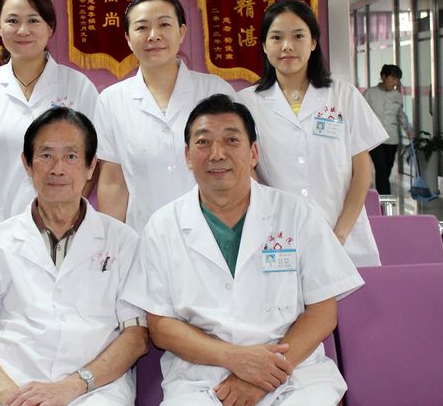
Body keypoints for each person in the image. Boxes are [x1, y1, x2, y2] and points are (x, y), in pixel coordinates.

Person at [122, 94, 364, 405]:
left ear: (253, 153)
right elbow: (161, 327)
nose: (217, 154)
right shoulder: (162, 226)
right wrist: (236, 359)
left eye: (231, 140)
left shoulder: (296, 214)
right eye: (203, 142)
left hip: (293, 372)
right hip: (203, 376)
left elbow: (322, 312)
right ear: (187, 155)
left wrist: (267, 373)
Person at [0, 107, 147, 406]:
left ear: (91, 166)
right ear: (27, 164)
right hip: (6, 381)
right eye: (46, 155)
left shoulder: (123, 241)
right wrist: (11, 396)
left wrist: (72, 386)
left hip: (91, 387)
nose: (57, 169)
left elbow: (136, 337)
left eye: (71, 156)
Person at [236, 0, 387, 267]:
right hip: (280, 239)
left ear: (314, 42)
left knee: (348, 293)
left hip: (344, 237)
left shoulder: (343, 95)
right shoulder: (246, 103)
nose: (287, 46)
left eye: (298, 36)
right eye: (276, 37)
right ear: (264, 45)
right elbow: (248, 170)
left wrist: (340, 234)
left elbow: (362, 171)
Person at [0, 0, 98, 242]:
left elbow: (92, 163)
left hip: (63, 230)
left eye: (33, 20)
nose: (23, 30)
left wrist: (68, 213)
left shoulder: (78, 87)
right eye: (12, 21)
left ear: (50, 27)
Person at [93, 0, 235, 232]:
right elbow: (114, 183)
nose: (153, 36)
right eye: (142, 27)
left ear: (182, 32)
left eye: (164, 25)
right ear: (128, 38)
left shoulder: (215, 90)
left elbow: (240, 167)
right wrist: (111, 243)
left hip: (214, 233)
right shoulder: (112, 100)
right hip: (144, 236)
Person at [363, 64, 413, 195]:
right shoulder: (369, 93)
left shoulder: (397, 96)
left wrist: (408, 129)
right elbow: (360, 114)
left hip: (392, 138)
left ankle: (382, 197)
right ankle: (385, 199)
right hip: (375, 138)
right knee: (381, 169)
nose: (396, 82)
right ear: (384, 76)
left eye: (398, 79)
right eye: (393, 78)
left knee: (387, 169)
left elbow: (401, 114)